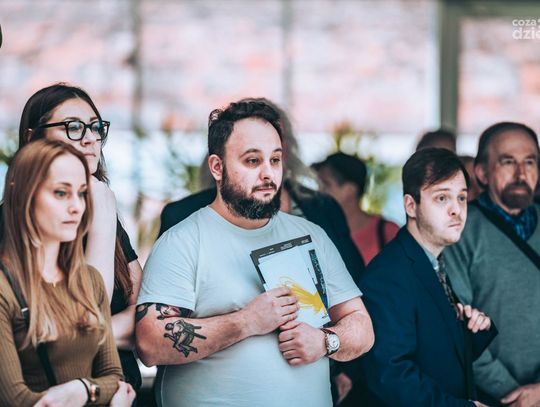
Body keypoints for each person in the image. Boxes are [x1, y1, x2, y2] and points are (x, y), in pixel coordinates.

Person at [136, 100, 374, 406]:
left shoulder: (312, 234)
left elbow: (362, 326)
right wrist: (247, 321)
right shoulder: (182, 241)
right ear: (217, 167)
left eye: (275, 160)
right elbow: (150, 343)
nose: (268, 174)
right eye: (252, 161)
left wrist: (326, 341)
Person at [0, 83, 143, 393]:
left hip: (119, 392)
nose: (90, 138)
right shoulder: (7, 225)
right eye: (74, 127)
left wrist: (75, 338)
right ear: (33, 139)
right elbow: (87, 315)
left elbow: (146, 318)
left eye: (95, 127)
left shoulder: (104, 208)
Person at [356, 148, 497, 406]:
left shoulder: (432, 261)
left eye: (462, 197)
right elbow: (391, 377)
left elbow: (435, 355)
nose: (457, 210)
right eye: (442, 198)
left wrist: (471, 332)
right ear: (411, 205)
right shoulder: (388, 276)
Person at [445, 122, 540, 407]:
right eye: (508, 162)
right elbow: (459, 327)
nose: (521, 173)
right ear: (482, 172)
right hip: (491, 398)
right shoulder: (459, 230)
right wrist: (515, 395)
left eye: (530, 162)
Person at [312, 152, 399, 265]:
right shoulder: (318, 232)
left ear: (350, 190)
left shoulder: (387, 232)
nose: (318, 192)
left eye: (326, 184)